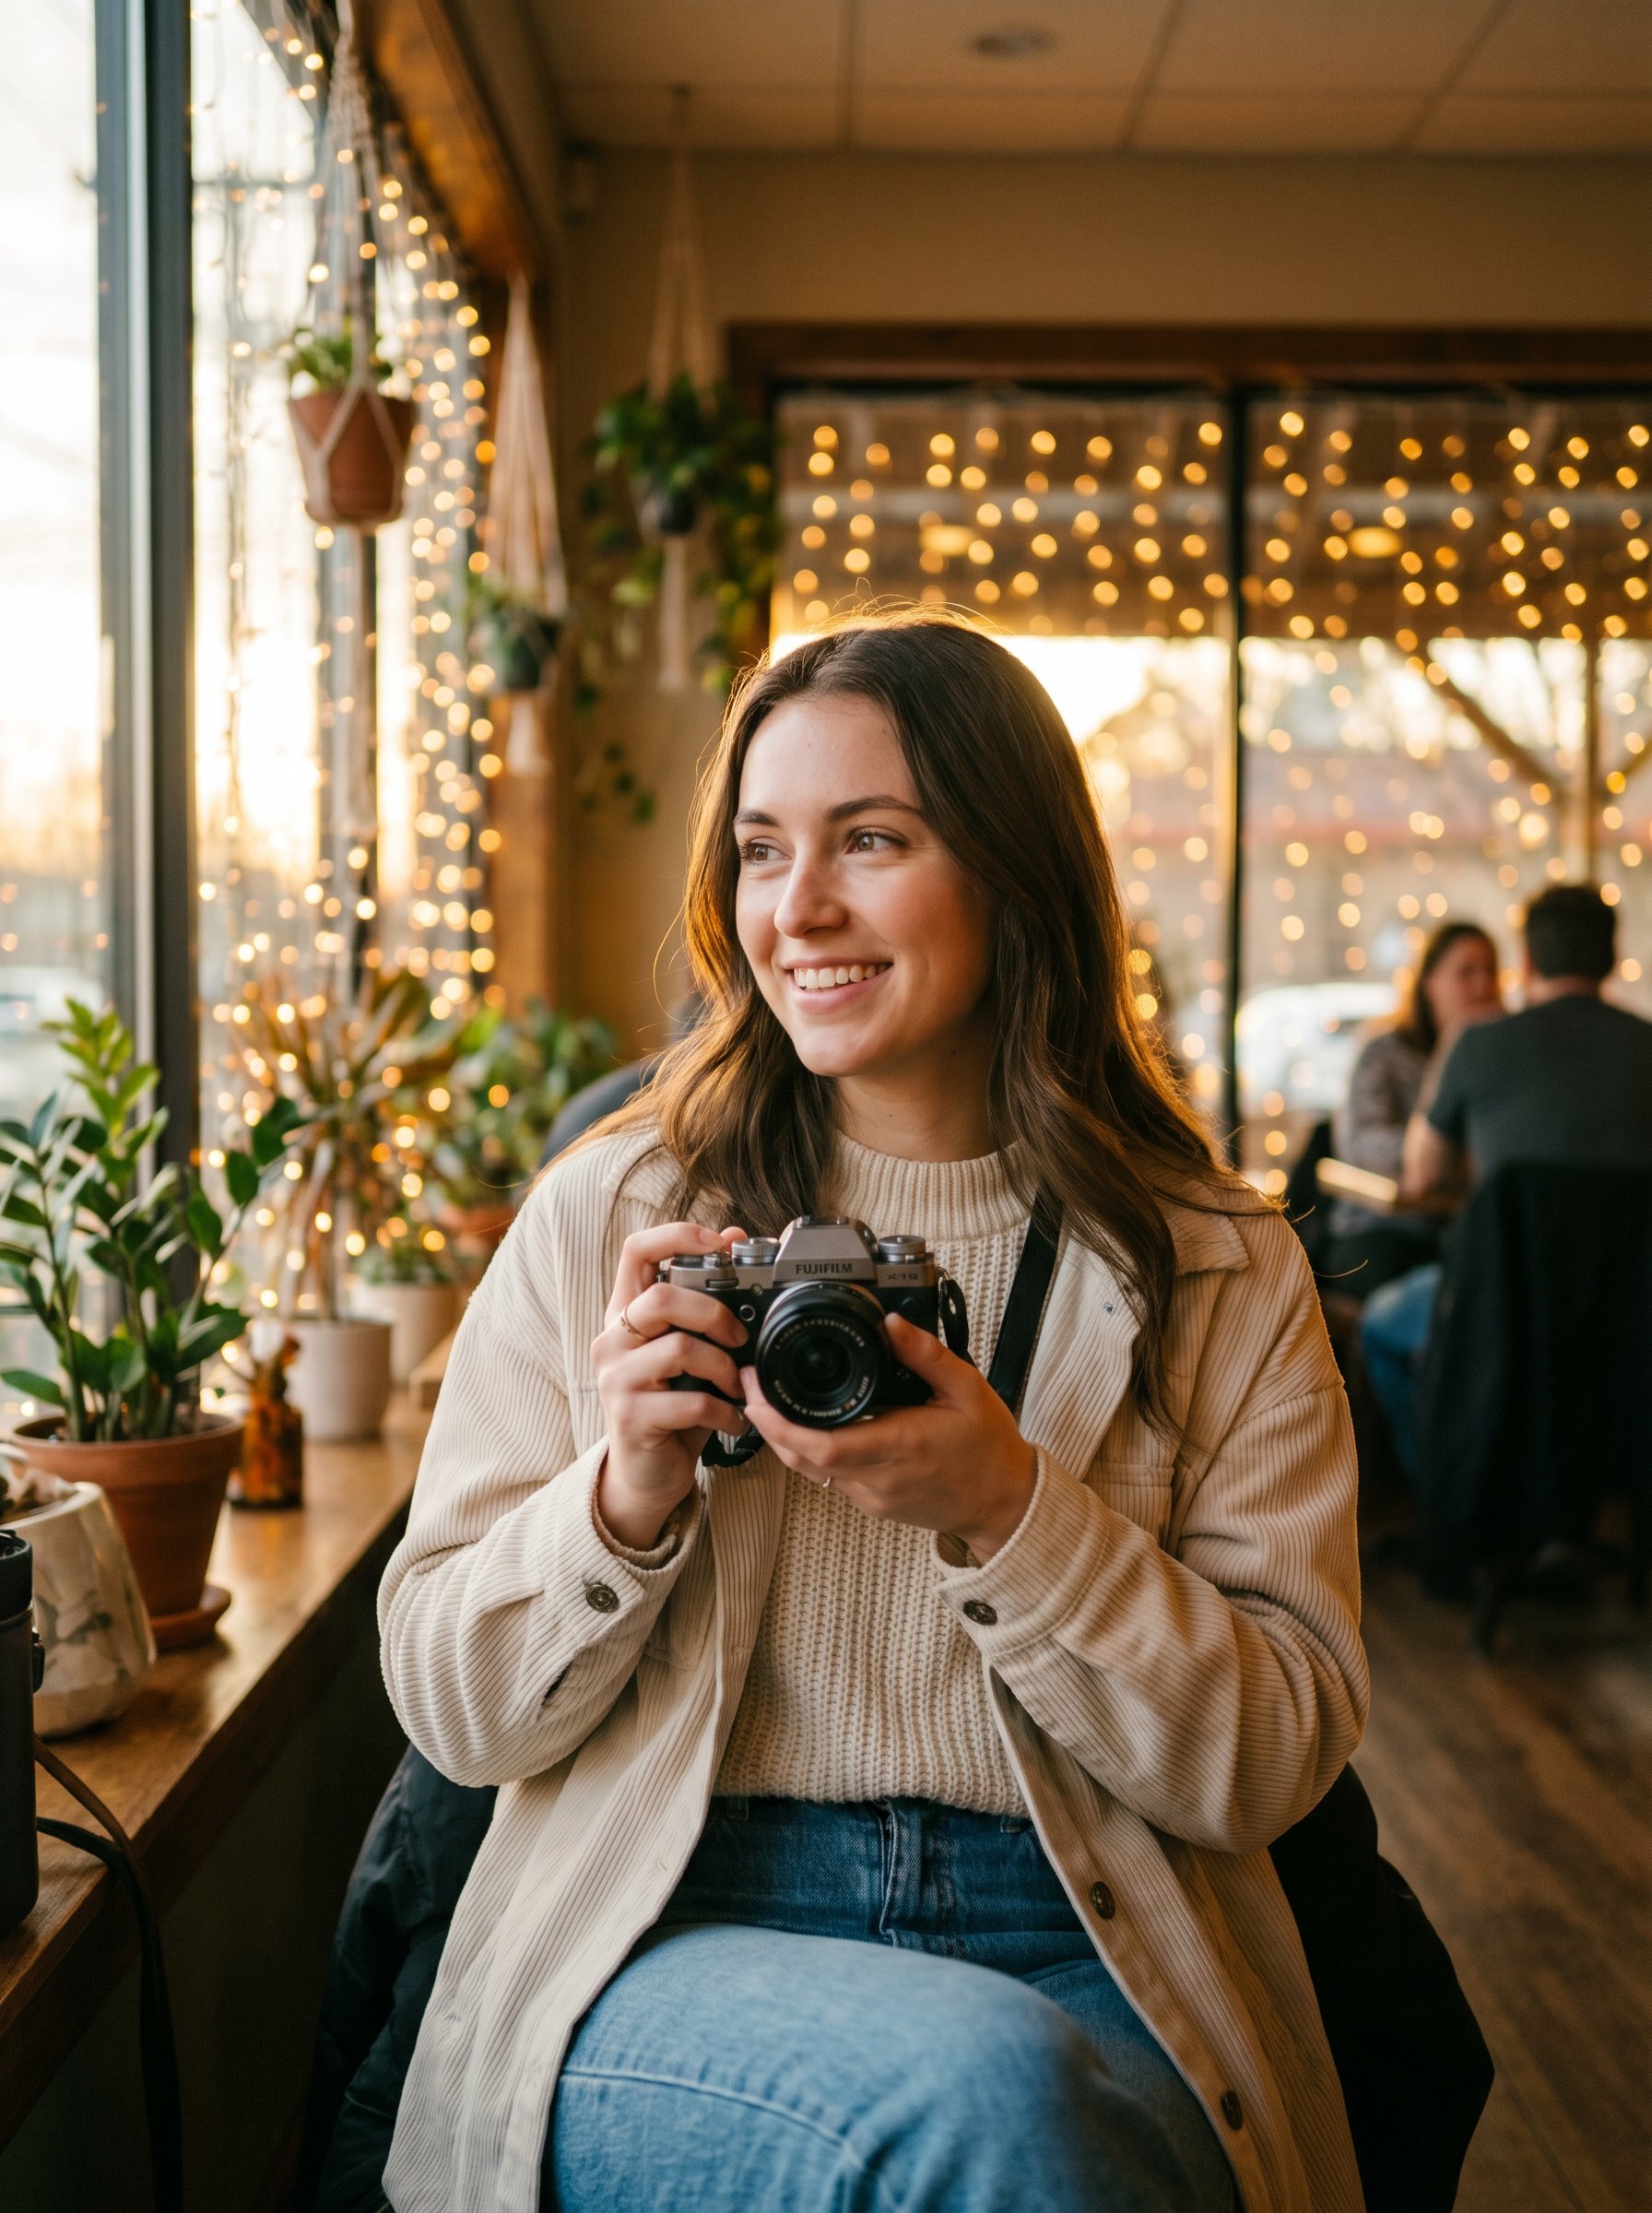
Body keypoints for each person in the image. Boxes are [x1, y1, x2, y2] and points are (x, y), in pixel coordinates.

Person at [377, 613, 1369, 2213]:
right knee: (995, 2108)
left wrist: (1013, 1513)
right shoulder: (620, 1213)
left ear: (1014, 870)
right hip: (671, 1920)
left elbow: (1271, 1762)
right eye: (763, 851)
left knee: (1038, 2126)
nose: (800, 909)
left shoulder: (1213, 1265)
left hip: (1092, 1924)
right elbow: (453, 1710)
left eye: (873, 840)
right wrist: (620, 1499)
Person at [1362, 882, 1652, 1478]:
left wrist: (1454, 1047)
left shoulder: (1478, 1043)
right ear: (1612, 957)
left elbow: (1421, 1173)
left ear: (1526, 960)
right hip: (1632, 1320)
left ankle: (1449, 1497)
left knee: (1380, 1324)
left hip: (1501, 1310)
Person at [1325, 921, 1502, 1298]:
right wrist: (1446, 1160)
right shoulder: (1386, 1053)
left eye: (1490, 971)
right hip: (1383, 1227)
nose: (1483, 985)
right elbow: (1360, 1143)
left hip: (1461, 1230)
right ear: (1429, 983)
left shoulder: (1500, 1062)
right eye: (1466, 972)